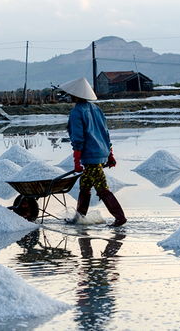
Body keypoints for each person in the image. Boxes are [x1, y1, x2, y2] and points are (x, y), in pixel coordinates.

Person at [61, 77, 127, 227]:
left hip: (90, 156)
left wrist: (77, 161)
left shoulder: (77, 112)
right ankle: (79, 218)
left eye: (71, 94)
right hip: (101, 152)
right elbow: (105, 133)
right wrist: (110, 155)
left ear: (76, 95)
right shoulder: (96, 109)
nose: (70, 96)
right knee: (84, 186)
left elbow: (78, 138)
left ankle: (120, 217)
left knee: (102, 188)